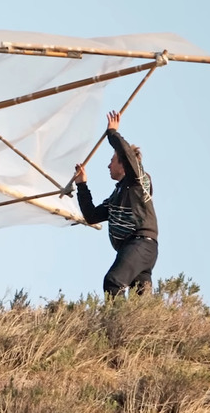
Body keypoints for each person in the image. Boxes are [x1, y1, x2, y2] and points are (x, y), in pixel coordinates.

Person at [74, 110, 158, 297]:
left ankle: (116, 323)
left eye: (112, 161)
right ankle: (137, 325)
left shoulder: (138, 181)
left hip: (140, 243)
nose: (108, 166)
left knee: (113, 281)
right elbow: (91, 216)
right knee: (141, 302)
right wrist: (82, 185)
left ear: (123, 164)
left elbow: (127, 155)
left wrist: (112, 133)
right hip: (134, 249)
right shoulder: (115, 198)